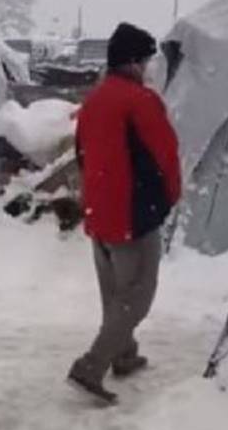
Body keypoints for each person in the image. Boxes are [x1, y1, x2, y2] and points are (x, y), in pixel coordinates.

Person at [67, 22, 181, 404]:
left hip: (100, 213)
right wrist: (168, 199)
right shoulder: (141, 101)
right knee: (137, 297)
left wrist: (94, 197)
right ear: (132, 62)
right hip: (134, 216)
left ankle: (125, 354)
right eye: (145, 60)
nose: (148, 68)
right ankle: (91, 365)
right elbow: (165, 155)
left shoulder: (94, 100)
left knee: (115, 294)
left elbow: (82, 154)